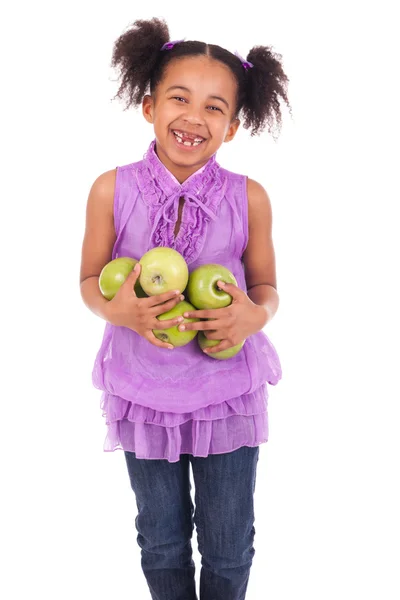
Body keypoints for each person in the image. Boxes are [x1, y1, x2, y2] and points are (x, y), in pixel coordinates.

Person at [80, 16, 290, 600]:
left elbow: (267, 285)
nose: (194, 118)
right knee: (161, 541)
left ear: (235, 124)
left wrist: (256, 315)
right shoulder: (110, 189)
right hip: (143, 393)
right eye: (179, 98)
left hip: (225, 392)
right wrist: (116, 310)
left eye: (215, 107)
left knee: (228, 544)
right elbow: (90, 280)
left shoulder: (249, 197)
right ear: (148, 106)